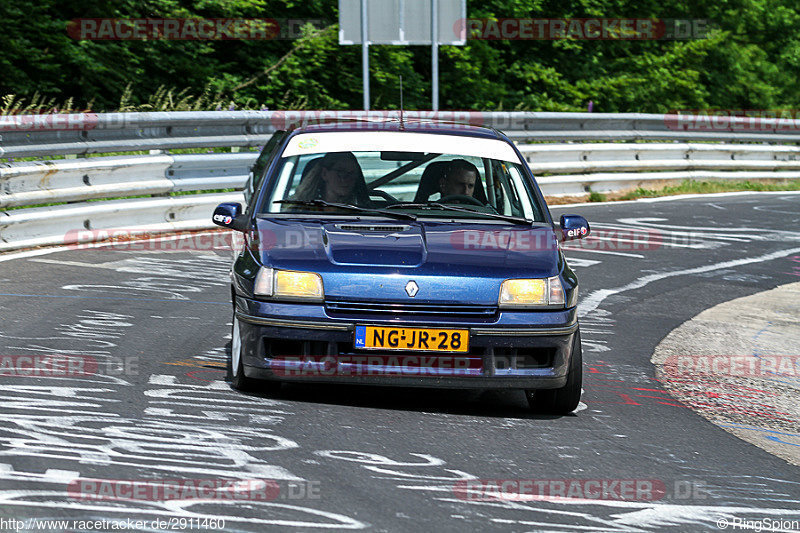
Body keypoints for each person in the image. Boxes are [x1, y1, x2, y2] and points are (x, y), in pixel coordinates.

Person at [290, 152, 372, 206]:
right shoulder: (300, 211)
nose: (346, 179)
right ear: (324, 174)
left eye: (352, 173)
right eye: (340, 172)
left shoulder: (367, 213)